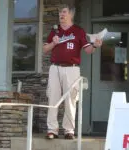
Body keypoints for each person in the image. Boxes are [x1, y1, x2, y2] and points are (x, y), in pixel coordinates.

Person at [43, 4, 102, 140]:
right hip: (55, 68)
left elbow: (87, 50)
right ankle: (52, 130)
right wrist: (53, 43)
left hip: (72, 68)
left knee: (71, 99)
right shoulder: (55, 31)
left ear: (71, 14)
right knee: (53, 98)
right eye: (59, 12)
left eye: (64, 12)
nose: (61, 15)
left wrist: (94, 45)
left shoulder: (78, 31)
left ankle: (69, 130)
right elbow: (45, 49)